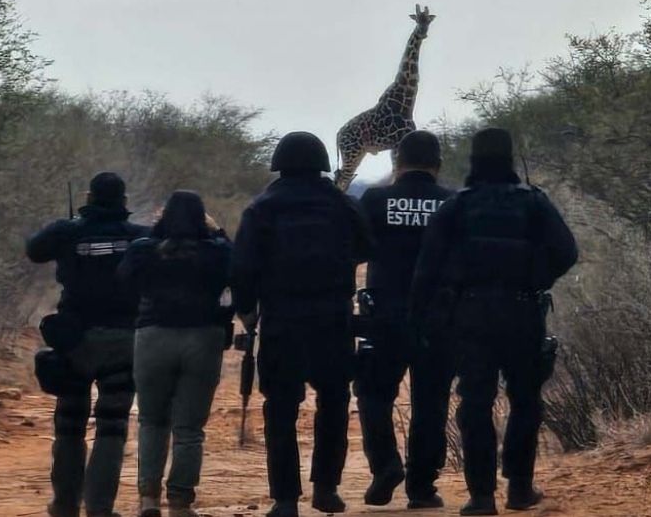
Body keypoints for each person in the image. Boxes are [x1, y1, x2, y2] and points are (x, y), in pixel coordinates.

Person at [411, 129, 578, 516]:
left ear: (473, 160)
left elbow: (426, 270)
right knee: (525, 401)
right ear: (509, 158)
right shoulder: (534, 203)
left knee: (475, 405)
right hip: (523, 314)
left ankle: (482, 497)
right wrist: (537, 278)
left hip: (470, 318)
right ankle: (519, 488)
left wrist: (420, 320)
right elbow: (566, 251)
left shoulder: (456, 206)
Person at [230, 131, 374, 517]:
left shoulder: (262, 208)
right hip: (333, 319)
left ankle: (286, 499)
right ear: (323, 164)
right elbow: (367, 247)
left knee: (280, 408)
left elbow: (242, 266)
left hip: (282, 320)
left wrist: (246, 310)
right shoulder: (343, 204)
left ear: (279, 164)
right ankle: (326, 488)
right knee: (334, 402)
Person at [26, 172, 150, 517]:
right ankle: (100, 508)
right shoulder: (140, 237)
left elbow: (34, 250)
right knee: (112, 427)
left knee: (69, 424)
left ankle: (65, 504)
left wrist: (66, 227)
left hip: (74, 341)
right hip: (124, 341)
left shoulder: (69, 231)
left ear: (90, 198)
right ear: (124, 202)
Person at [353, 130, 455, 508]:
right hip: (438, 319)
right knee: (431, 402)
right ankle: (422, 487)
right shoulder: (451, 203)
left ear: (396, 164)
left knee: (373, 393)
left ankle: (385, 465)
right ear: (438, 166)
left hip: (384, 316)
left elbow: (356, 249)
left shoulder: (376, 200)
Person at [117, 191, 232, 517]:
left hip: (153, 337)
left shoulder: (143, 249)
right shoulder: (216, 251)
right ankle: (180, 501)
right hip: (203, 339)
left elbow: (123, 284)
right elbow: (239, 269)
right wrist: (218, 231)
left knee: (152, 420)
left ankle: (148, 498)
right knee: (190, 428)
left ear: (163, 216)